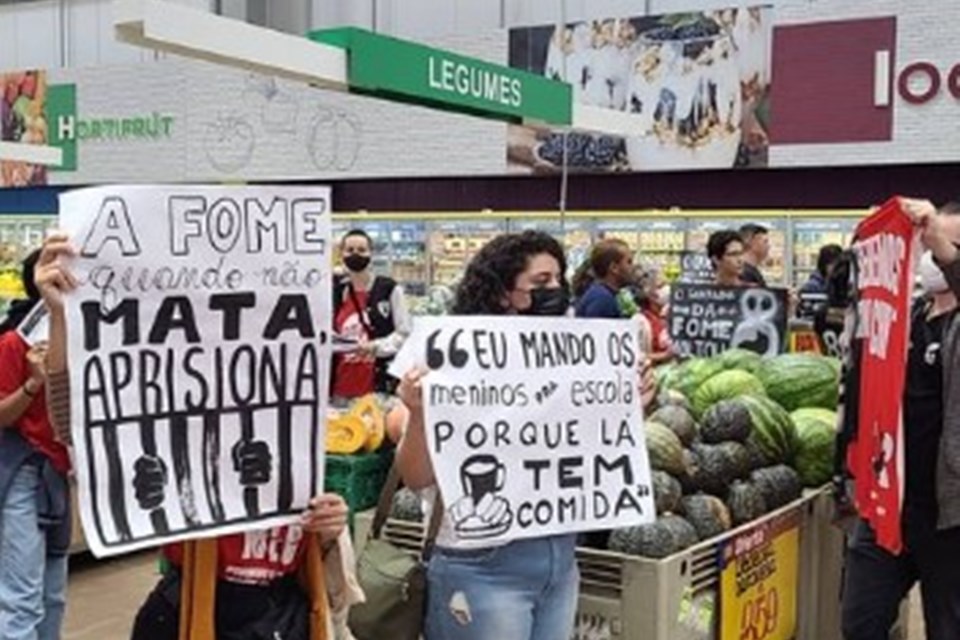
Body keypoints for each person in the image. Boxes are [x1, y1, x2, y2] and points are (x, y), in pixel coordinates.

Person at [33, 235, 364, 640]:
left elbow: (318, 543)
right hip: (193, 610)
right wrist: (61, 314)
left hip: (284, 616)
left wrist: (330, 526)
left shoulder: (299, 424)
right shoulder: (182, 424)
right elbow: (76, 424)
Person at [394, 231, 656, 640]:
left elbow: (593, 443)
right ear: (502, 292)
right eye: (541, 283)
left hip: (559, 556)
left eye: (559, 280)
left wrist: (629, 404)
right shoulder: (441, 351)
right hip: (478, 561)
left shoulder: (575, 354)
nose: (556, 290)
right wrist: (418, 410)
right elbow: (416, 477)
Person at [839, 198, 960, 640]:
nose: (933, 255)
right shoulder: (902, 319)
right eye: (927, 245)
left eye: (947, 245)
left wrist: (946, 252)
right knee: (860, 621)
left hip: (949, 513)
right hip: (888, 503)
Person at [0, 248, 70, 640]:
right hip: (22, 474)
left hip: (57, 474)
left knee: (52, 594)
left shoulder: (81, 339)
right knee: (22, 596)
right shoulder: (14, 343)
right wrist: (33, 383)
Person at [332, 229, 411, 399]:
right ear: (342, 254)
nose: (355, 255)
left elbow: (404, 333)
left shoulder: (389, 289)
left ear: (371, 253)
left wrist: (376, 347)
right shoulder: (335, 291)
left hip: (378, 388)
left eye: (361, 250)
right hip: (338, 388)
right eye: (350, 250)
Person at [574, 239, 634, 319]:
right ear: (614, 268)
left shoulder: (601, 294)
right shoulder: (602, 300)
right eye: (629, 262)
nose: (633, 267)